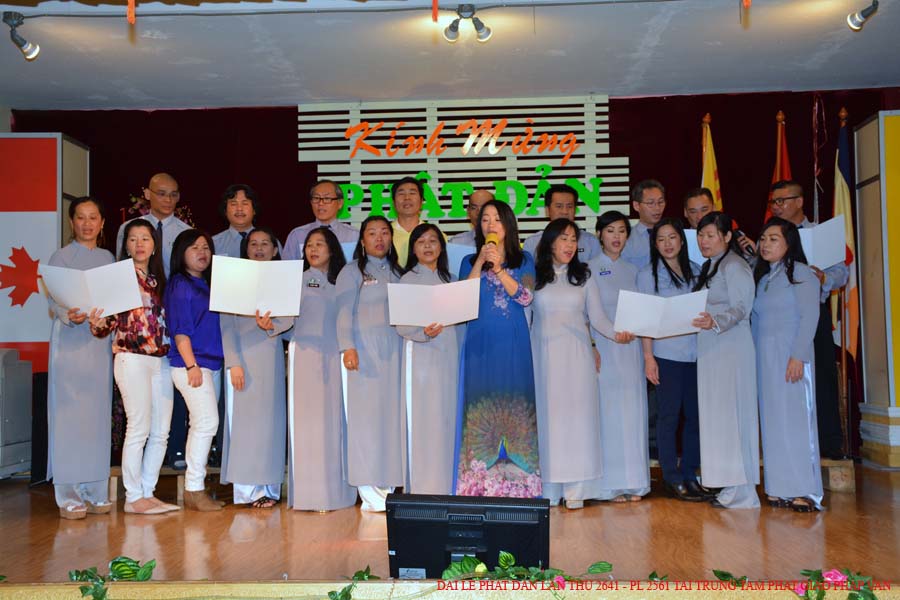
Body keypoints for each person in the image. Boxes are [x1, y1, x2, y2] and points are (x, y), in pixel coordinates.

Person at [740, 180, 848, 460]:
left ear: (799, 201)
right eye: (773, 202)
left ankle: (828, 441)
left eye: (782, 201)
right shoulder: (769, 237)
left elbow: (842, 273)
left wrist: (823, 278)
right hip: (775, 320)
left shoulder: (820, 233)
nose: (776, 207)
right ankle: (782, 445)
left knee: (821, 376)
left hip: (812, 312)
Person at [531, 218, 631, 509]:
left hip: (577, 359)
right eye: (563, 238)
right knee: (549, 421)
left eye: (573, 239)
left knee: (577, 420)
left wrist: (618, 334)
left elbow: (597, 318)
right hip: (543, 359)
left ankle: (577, 489)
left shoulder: (584, 276)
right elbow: (526, 319)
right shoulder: (533, 277)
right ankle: (549, 488)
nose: (570, 245)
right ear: (550, 242)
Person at [89, 218, 178, 515]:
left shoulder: (158, 281)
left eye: (145, 238)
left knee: (161, 431)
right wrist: (97, 322)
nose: (139, 244)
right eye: (133, 239)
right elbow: (105, 324)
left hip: (161, 360)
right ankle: (133, 496)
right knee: (139, 428)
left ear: (154, 246)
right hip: (131, 358)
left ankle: (147, 492)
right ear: (126, 246)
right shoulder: (119, 278)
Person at [454, 200, 541, 498]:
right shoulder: (468, 261)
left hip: (513, 342)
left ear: (508, 225)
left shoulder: (523, 258)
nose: (490, 224)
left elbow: (527, 297)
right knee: (479, 405)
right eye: (485, 219)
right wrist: (480, 262)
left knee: (516, 404)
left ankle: (521, 490)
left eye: (497, 219)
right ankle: (478, 487)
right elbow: (462, 301)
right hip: (479, 343)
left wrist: (500, 269)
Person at [46, 196, 115, 519]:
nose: (87, 224)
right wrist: (68, 314)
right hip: (70, 344)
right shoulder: (60, 257)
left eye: (93, 217)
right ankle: (69, 493)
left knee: (97, 416)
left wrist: (107, 319)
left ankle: (95, 490)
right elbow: (54, 301)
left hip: (99, 343)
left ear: (102, 223)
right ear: (71, 222)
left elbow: (114, 300)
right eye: (81, 217)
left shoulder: (108, 257)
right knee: (69, 418)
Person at [752, 217, 823, 512]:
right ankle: (779, 488)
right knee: (773, 423)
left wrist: (798, 355)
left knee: (796, 423)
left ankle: (805, 490)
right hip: (766, 360)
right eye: (763, 239)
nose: (765, 244)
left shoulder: (802, 273)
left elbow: (810, 316)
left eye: (773, 239)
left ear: (789, 243)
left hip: (792, 357)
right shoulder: (764, 279)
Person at [336, 216, 405, 512]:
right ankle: (370, 494)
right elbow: (342, 312)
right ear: (362, 240)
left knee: (391, 421)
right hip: (363, 355)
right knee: (365, 422)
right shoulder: (352, 271)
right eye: (372, 233)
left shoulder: (400, 272)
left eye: (384, 233)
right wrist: (347, 347)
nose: (379, 238)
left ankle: (389, 488)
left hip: (396, 355)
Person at [691, 212, 760, 509]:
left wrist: (716, 322)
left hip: (731, 346)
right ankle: (727, 485)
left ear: (727, 236)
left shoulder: (735, 265)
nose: (704, 241)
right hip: (711, 348)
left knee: (733, 415)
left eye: (710, 235)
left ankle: (742, 492)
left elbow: (743, 307)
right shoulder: (710, 266)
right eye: (700, 235)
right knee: (718, 417)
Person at [637, 218, 709, 502]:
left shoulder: (697, 270)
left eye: (672, 237)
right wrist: (648, 357)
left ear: (681, 240)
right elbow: (644, 319)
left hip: (696, 354)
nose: (667, 244)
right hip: (666, 355)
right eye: (661, 239)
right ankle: (671, 476)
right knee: (668, 417)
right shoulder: (647, 274)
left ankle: (690, 473)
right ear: (654, 244)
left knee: (695, 417)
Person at [219, 227, 291, 508]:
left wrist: (272, 325)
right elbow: (226, 326)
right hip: (242, 361)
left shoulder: (282, 280)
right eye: (253, 244)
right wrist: (234, 363)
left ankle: (269, 488)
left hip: (271, 360)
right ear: (246, 249)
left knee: (270, 426)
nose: (259, 248)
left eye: (265, 244)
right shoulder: (233, 279)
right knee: (245, 426)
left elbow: (289, 320)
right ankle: (247, 491)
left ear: (275, 250)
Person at [288, 227, 356, 511]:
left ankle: (337, 494)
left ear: (332, 249)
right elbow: (283, 322)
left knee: (334, 424)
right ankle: (310, 495)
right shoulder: (295, 280)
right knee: (307, 426)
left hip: (337, 357)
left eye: (319, 244)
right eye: (309, 245)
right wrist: (269, 323)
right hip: (305, 358)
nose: (313, 249)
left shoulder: (345, 280)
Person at [587, 211, 650, 502]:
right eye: (610, 230)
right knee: (607, 414)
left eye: (622, 231)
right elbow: (585, 314)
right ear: (599, 234)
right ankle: (609, 485)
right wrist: (592, 344)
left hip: (631, 350)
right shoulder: (588, 269)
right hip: (604, 349)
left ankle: (635, 483)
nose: (616, 237)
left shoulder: (634, 270)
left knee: (633, 412)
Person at [396, 223, 461, 495]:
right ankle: (422, 487)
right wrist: (422, 333)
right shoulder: (407, 281)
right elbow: (401, 325)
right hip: (420, 356)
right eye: (421, 241)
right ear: (413, 248)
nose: (427, 246)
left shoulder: (452, 280)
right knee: (423, 419)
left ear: (442, 247)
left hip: (449, 358)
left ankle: (447, 485)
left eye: (433, 241)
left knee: (447, 417)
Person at [165, 229, 224, 512]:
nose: (202, 252)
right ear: (181, 252)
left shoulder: (208, 284)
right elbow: (180, 328)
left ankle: (196, 486)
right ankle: (193, 489)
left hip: (211, 364)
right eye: (195, 248)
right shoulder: (180, 284)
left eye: (206, 247)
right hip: (191, 363)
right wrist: (191, 365)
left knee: (205, 424)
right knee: (206, 423)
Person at [116, 173, 191, 277]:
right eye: (161, 194)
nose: (168, 200)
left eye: (173, 195)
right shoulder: (129, 228)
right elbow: (120, 269)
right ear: (147, 194)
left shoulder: (187, 233)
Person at [523, 184, 602, 262]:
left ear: (575, 210)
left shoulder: (591, 241)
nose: (565, 212)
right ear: (547, 210)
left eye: (569, 206)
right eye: (559, 206)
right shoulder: (532, 242)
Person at [283, 180, 360, 260]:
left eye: (327, 198)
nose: (320, 203)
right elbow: (287, 266)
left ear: (340, 203)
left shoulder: (353, 235)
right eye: (316, 198)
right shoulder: (297, 235)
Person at [621, 179, 666, 270]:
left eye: (660, 202)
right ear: (636, 205)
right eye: (650, 203)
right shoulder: (626, 239)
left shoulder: (673, 235)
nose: (657, 208)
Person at [212, 184, 259, 258]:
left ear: (254, 210)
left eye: (245, 203)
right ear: (225, 211)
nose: (239, 208)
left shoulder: (270, 242)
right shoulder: (214, 243)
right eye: (233, 204)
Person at [391, 176, 427, 267]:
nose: (407, 198)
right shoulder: (384, 235)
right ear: (394, 203)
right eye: (401, 194)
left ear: (421, 201)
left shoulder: (434, 235)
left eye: (412, 193)